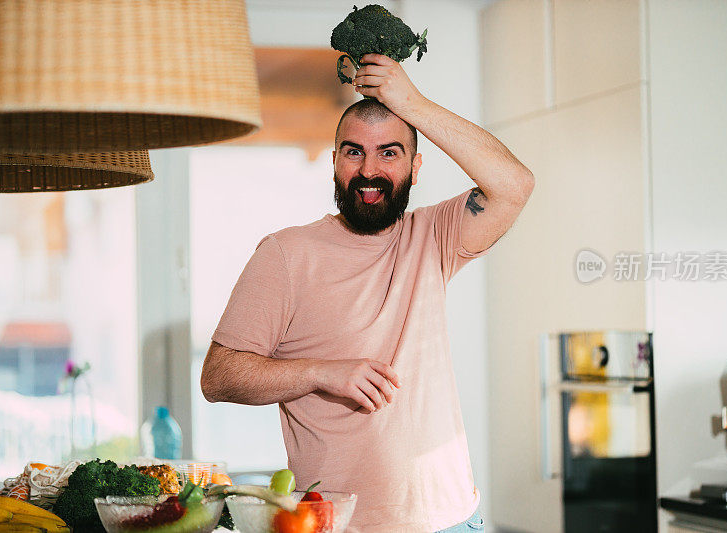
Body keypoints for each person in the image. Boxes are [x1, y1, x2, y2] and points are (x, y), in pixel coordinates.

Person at [201, 54, 534, 532]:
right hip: (342, 526)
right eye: (354, 152)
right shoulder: (285, 254)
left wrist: (412, 104)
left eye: (390, 152)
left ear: (416, 166)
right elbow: (218, 378)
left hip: (456, 521)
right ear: (335, 159)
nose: (369, 170)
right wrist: (321, 373)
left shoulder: (433, 236)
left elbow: (514, 185)